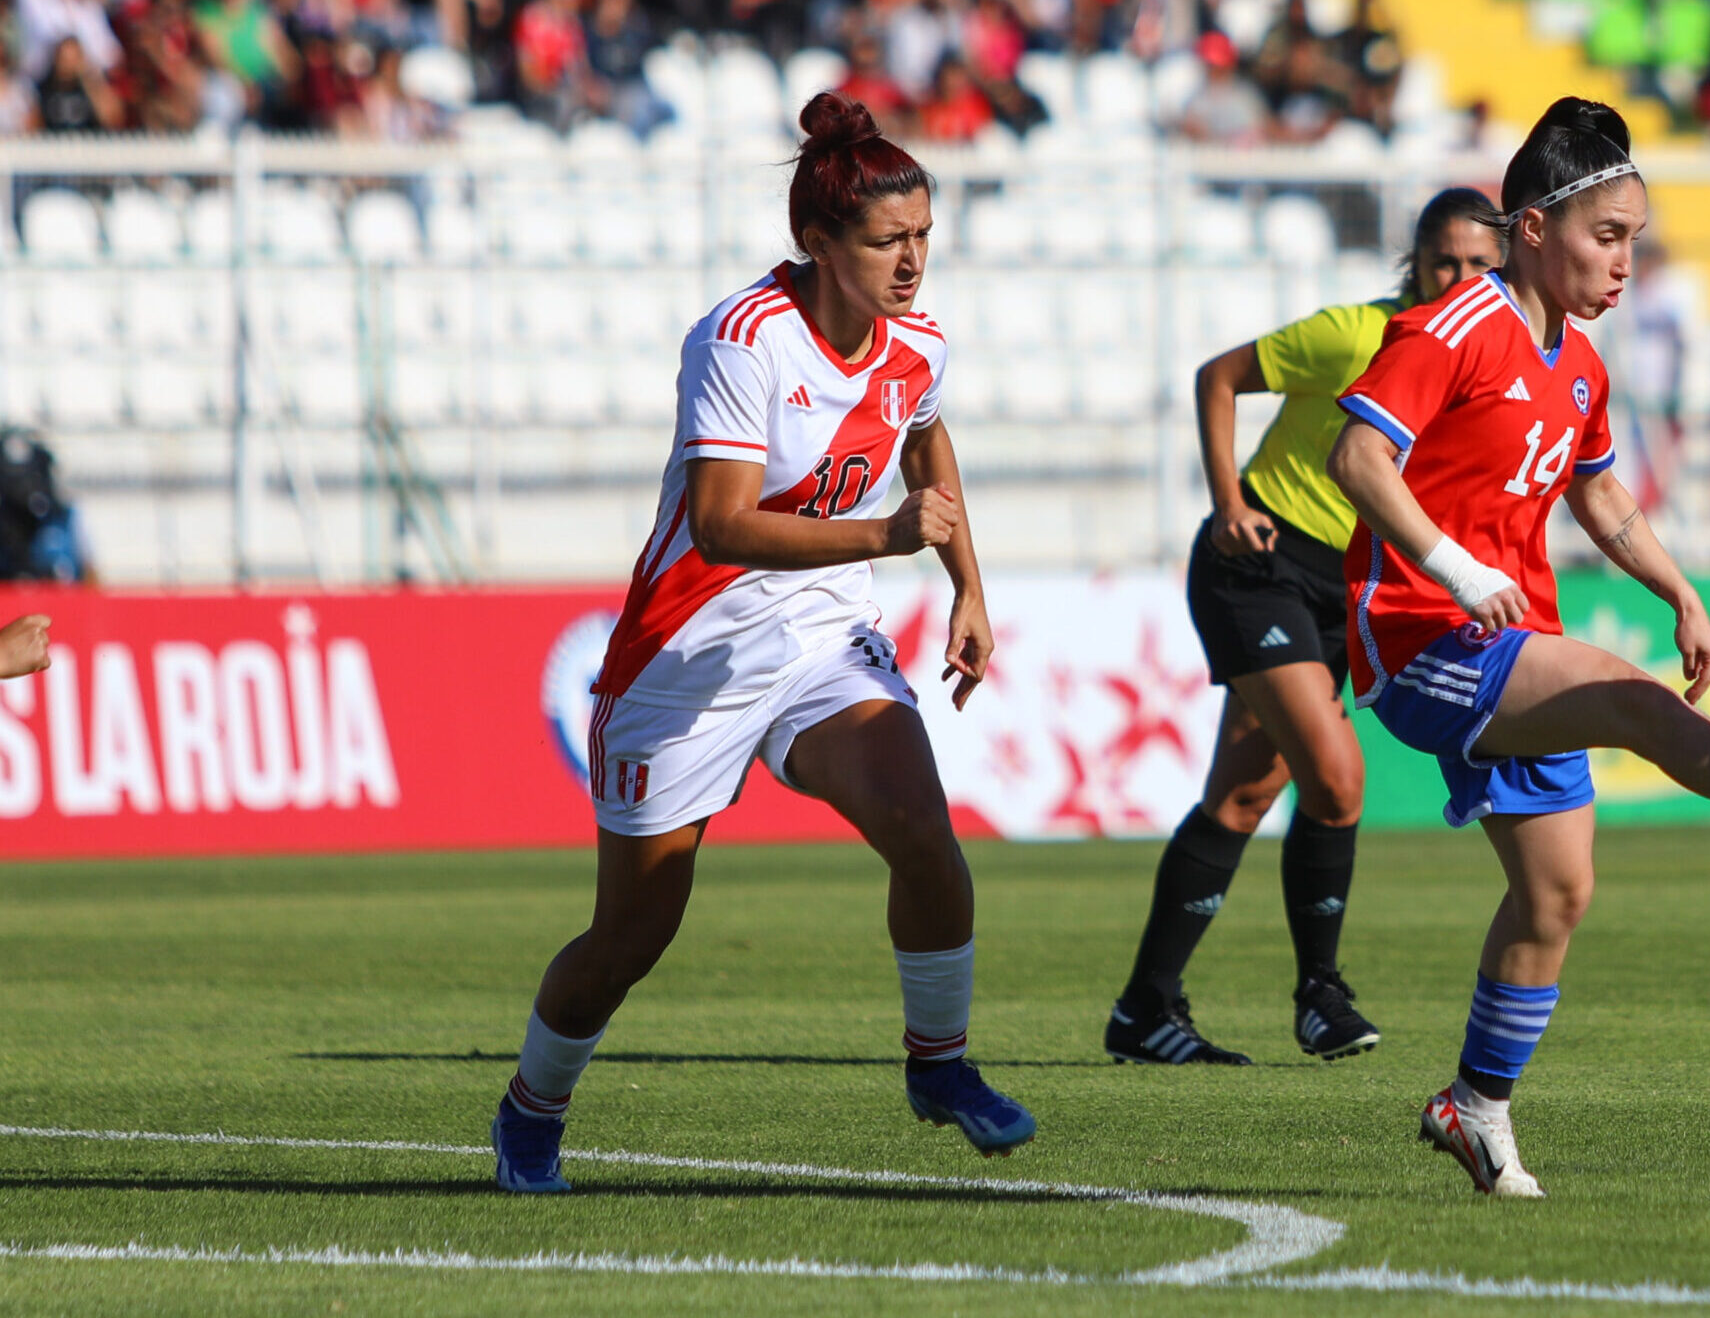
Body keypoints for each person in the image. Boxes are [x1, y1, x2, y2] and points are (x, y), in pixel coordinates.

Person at [1325, 96, 1710, 1200]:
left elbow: (1600, 496)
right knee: (1629, 702)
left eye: (1634, 244)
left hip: (1510, 634)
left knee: (1556, 897)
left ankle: (1472, 1107)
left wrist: (1680, 592)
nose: (1624, 265)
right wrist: (1456, 567)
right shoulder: (1451, 329)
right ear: (1533, 228)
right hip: (1417, 635)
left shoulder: (1578, 364)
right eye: (1606, 238)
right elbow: (1357, 460)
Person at [490, 94, 1035, 1193]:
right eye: (889, 239)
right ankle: (531, 1107)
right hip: (687, 658)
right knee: (631, 936)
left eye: (924, 235)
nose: (912, 260)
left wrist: (969, 589)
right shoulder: (741, 341)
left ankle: (940, 1068)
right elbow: (722, 524)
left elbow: (930, 452)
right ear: (817, 242)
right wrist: (881, 533)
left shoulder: (918, 344)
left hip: (823, 633)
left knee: (924, 831)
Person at [1106, 188, 1507, 1068]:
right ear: (1416, 263)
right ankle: (1320, 995)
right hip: (1262, 564)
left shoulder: (1483, 366)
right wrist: (1227, 503)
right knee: (1337, 779)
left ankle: (1143, 1010)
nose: (1462, 277)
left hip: (1342, 591)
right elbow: (1221, 375)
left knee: (1245, 796)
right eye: (1446, 260)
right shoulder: (1357, 334)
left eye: (1482, 264)